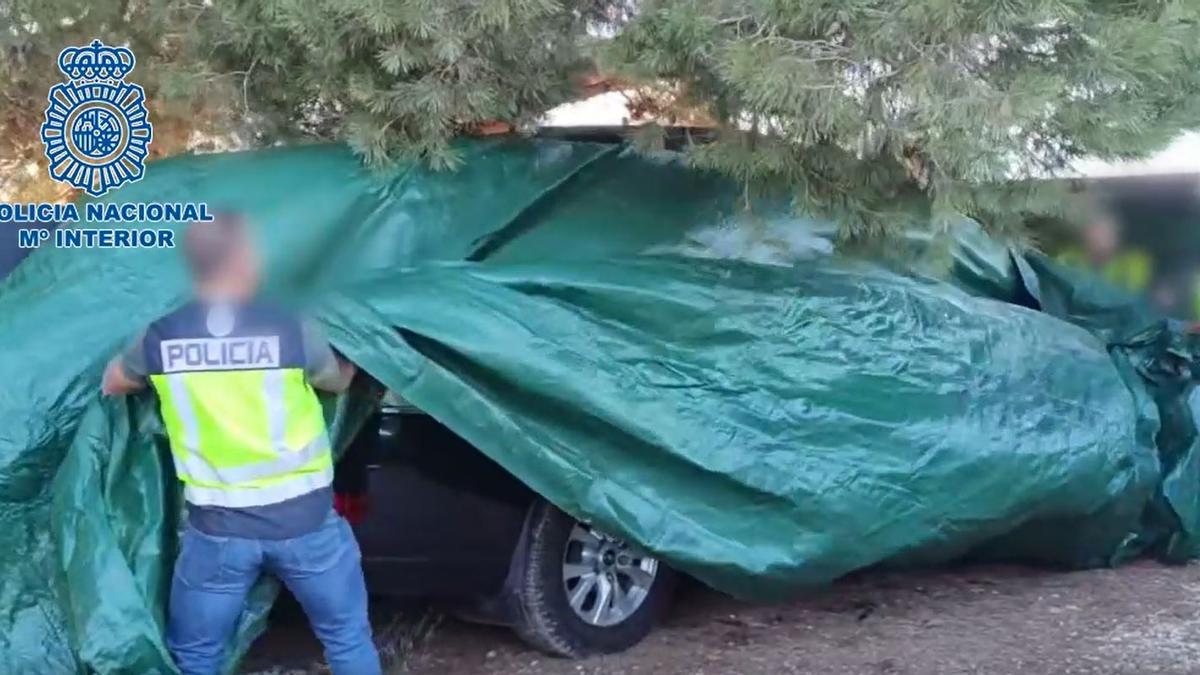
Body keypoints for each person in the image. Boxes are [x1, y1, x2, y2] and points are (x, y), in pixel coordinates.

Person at [100, 214, 381, 675]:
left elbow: (112, 383)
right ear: (244, 262)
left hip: (218, 534)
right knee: (347, 639)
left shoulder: (161, 335)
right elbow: (337, 381)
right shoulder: (290, 326)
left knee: (196, 656)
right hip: (306, 524)